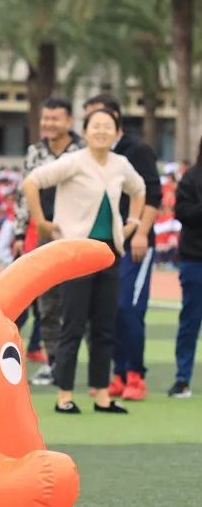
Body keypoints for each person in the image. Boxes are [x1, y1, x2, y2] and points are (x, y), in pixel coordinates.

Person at [22, 108, 145, 415]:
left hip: (109, 254)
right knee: (72, 325)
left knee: (105, 326)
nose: (101, 131)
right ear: (86, 131)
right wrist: (42, 222)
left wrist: (131, 223)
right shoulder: (74, 162)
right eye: (95, 126)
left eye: (108, 127)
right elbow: (32, 182)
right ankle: (64, 394)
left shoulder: (121, 165)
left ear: (117, 133)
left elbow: (140, 189)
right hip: (76, 253)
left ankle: (102, 395)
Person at [82, 94, 161, 401]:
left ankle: (135, 375)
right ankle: (116, 374)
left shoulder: (137, 150)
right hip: (106, 245)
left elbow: (152, 194)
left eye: (100, 120)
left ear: (115, 121)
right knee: (108, 309)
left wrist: (141, 232)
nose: (95, 128)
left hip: (135, 244)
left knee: (129, 308)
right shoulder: (92, 155)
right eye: (90, 122)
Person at [12, 98, 85, 385]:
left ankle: (80, 365)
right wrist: (19, 234)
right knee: (48, 303)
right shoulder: (35, 152)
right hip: (42, 234)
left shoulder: (83, 152)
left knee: (77, 303)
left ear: (69, 121)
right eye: (45, 119)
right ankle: (54, 363)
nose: (48, 124)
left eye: (55, 119)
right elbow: (22, 196)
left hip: (76, 234)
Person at [168, 140, 202, 399]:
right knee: (190, 322)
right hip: (195, 260)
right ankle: (182, 379)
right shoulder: (191, 178)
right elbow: (181, 212)